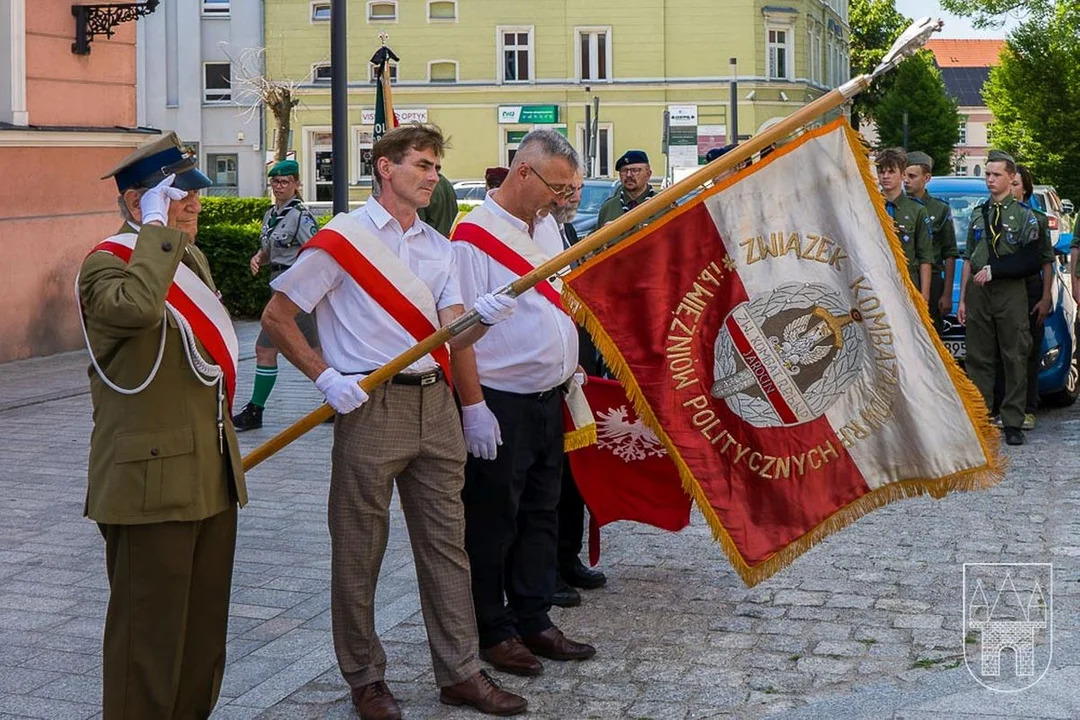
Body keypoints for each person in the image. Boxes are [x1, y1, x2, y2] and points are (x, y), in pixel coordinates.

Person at [262, 124, 527, 719]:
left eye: (436, 167)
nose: (433, 176)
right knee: (360, 549)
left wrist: (485, 318)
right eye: (423, 165)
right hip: (370, 402)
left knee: (446, 546)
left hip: (436, 406)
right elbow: (277, 316)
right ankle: (366, 679)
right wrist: (324, 376)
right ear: (385, 167)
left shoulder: (441, 248)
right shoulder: (341, 240)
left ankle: (459, 672)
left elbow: (456, 335)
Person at [78, 132, 248, 719]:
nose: (195, 204)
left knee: (202, 643)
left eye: (194, 193)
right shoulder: (105, 264)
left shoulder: (187, 258)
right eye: (178, 194)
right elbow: (139, 310)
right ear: (138, 204)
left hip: (209, 474)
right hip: (149, 487)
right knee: (145, 650)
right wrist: (153, 232)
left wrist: (163, 237)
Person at [451, 129, 597, 679]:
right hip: (501, 401)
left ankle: (534, 616)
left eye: (568, 188)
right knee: (494, 520)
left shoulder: (547, 229)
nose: (562, 199)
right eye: (557, 187)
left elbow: (556, 303)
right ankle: (493, 628)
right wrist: (473, 406)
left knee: (541, 510)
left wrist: (569, 361)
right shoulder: (472, 237)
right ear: (523, 173)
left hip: (548, 395)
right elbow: (456, 330)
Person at [958, 150, 1042, 446]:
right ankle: (981, 418)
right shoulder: (978, 213)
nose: (990, 180)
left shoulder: (1025, 216)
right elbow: (969, 255)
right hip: (979, 289)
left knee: (1014, 354)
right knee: (978, 356)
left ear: (1010, 178)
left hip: (1009, 291)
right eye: (987, 175)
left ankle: (1012, 422)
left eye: (996, 175)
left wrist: (999, 270)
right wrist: (963, 299)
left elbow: (1031, 259)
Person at [551, 170, 607, 609]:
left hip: (576, 373)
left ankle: (566, 556)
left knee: (576, 477)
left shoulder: (567, 230)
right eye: (564, 189)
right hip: (543, 380)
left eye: (576, 190)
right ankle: (544, 567)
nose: (571, 196)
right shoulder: (532, 234)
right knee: (548, 482)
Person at [232, 160, 320, 431]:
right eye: (275, 183)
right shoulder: (272, 214)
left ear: (296, 185)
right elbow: (270, 247)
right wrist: (259, 256)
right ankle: (337, 400)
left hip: (295, 292)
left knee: (266, 348)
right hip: (278, 285)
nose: (279, 187)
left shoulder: (301, 216)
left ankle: (256, 410)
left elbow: (315, 251)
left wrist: (301, 285)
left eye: (284, 182)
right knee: (315, 349)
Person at [1006, 163, 1054, 430]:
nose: (1010, 188)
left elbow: (1046, 259)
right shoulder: (993, 215)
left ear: (1025, 188)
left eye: (1015, 184)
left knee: (1030, 349)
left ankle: (1028, 406)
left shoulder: (1037, 218)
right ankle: (1005, 405)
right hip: (1004, 288)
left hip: (1031, 287)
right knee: (1006, 349)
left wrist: (1046, 296)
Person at [903, 151, 959, 334]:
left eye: (912, 176)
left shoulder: (939, 209)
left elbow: (950, 252)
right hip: (904, 276)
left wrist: (947, 293)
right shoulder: (894, 206)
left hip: (932, 279)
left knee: (931, 334)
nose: (906, 181)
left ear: (926, 178)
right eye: (904, 175)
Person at [876, 147, 933, 306]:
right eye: (881, 171)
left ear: (902, 175)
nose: (885, 176)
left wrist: (924, 295)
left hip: (907, 281)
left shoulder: (916, 210)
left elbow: (925, 257)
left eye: (891, 171)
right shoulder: (869, 206)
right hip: (877, 282)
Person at [596, 149, 655, 228]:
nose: (629, 175)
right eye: (624, 170)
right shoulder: (609, 208)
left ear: (648, 174)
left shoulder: (661, 203)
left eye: (635, 170)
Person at [417, 170, 458, 236]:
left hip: (429, 239)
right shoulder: (446, 184)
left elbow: (418, 223)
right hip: (445, 239)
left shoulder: (426, 187)